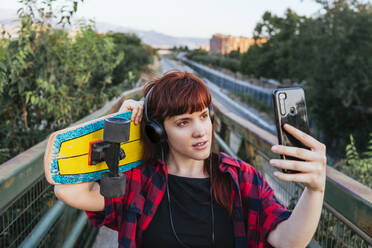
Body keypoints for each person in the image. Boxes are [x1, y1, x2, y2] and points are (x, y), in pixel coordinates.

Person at [48, 71, 327, 248]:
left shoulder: (240, 178)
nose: (200, 131)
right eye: (183, 123)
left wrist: (316, 190)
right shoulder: (138, 182)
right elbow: (67, 187)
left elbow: (288, 240)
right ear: (157, 131)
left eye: (203, 116)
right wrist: (115, 126)